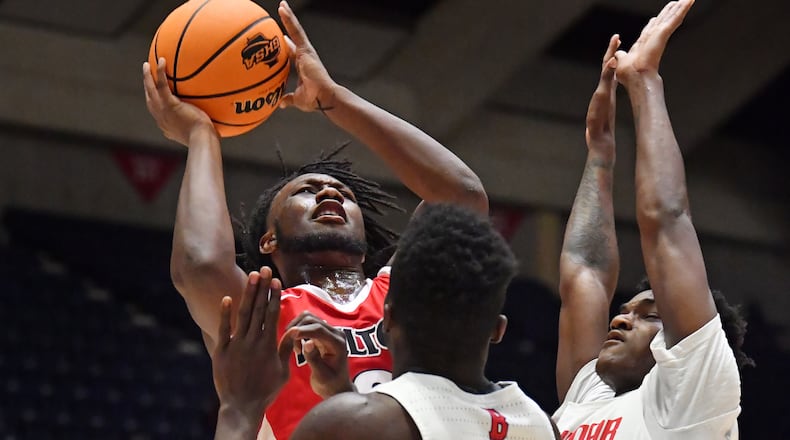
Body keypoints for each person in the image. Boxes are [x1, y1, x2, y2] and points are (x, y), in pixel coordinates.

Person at [142, 1, 489, 438]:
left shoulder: (403, 290)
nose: (329, 192)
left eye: (344, 194)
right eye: (306, 191)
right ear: (268, 240)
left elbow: (464, 196)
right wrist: (201, 135)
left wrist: (334, 100)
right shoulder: (263, 318)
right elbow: (200, 264)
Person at [553, 0, 754, 438]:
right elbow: (584, 273)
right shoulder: (588, 396)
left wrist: (644, 83)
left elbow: (667, 219)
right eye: (626, 312)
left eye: (650, 316)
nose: (620, 320)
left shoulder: (695, 394)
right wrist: (600, 155)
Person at [212, 203, 561, 439]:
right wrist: (343, 393)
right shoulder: (541, 425)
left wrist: (239, 406)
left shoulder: (344, 424)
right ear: (498, 330)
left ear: (388, 317)